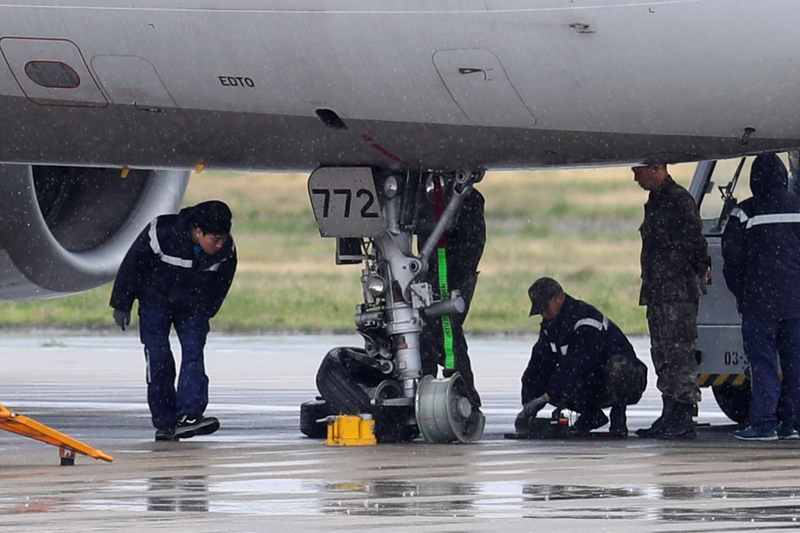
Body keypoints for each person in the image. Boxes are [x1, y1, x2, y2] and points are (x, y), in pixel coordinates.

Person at [110, 201, 237, 442]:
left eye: (223, 239)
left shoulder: (225, 251)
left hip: (193, 307)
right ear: (198, 231)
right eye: (215, 239)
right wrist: (121, 303)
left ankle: (189, 415)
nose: (219, 245)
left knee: (193, 355)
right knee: (158, 358)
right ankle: (165, 421)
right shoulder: (161, 233)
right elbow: (132, 265)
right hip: (155, 303)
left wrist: (208, 310)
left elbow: (222, 282)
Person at [722, 153, 800, 440]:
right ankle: (793, 423)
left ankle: (765, 424)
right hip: (796, 305)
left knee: (763, 363)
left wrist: (744, 296)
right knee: (796, 365)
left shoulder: (745, 213)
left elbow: (732, 263)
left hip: (760, 305)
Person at [633, 163, 711, 440]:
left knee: (679, 352)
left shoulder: (679, 199)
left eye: (639, 170)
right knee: (662, 353)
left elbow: (694, 240)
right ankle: (669, 412)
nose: (635, 177)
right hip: (658, 291)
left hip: (678, 291)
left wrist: (702, 268)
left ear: (656, 169)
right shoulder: (656, 200)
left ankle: (684, 413)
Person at [517, 277, 647, 437]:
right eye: (540, 310)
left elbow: (576, 364)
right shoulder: (550, 327)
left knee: (616, 367)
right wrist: (529, 402)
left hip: (623, 380)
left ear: (560, 298)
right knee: (553, 378)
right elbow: (537, 365)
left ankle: (618, 416)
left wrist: (547, 396)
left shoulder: (586, 321)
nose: (544, 314)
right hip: (591, 380)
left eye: (545, 308)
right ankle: (591, 415)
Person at [419, 185, 485, 407]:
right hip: (443, 264)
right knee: (435, 331)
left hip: (447, 269)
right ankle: (457, 393)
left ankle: (459, 394)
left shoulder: (460, 201)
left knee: (442, 331)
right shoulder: (432, 196)